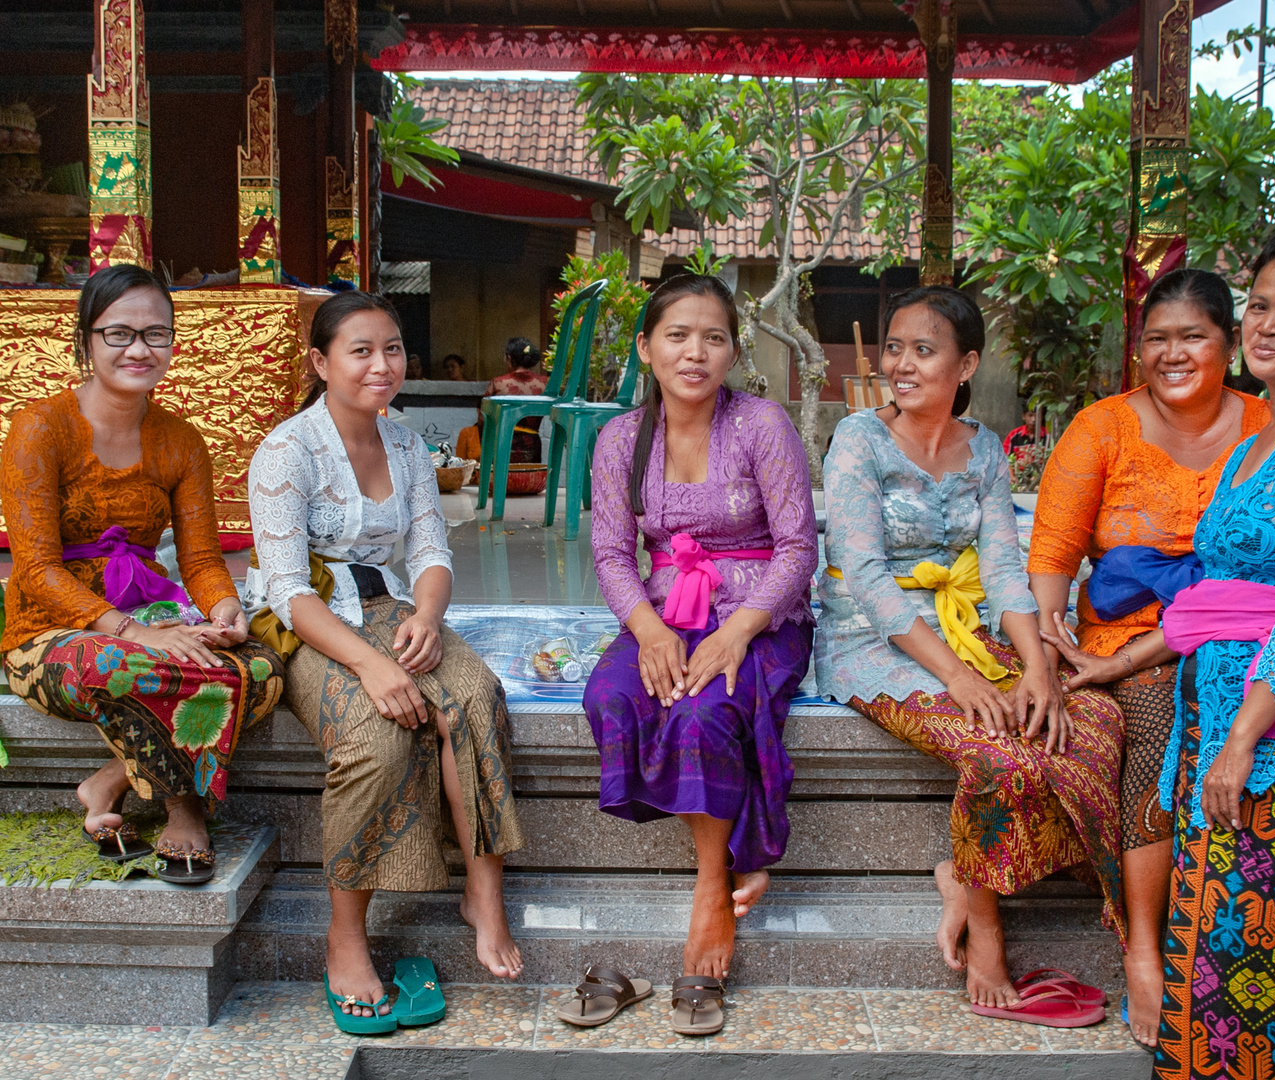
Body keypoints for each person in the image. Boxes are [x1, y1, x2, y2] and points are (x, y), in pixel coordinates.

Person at [1089, 228, 1275, 1076]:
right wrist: (1121, 662)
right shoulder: (1257, 441)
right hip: (1217, 725)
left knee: (1257, 957)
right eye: (1257, 305)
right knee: (1210, 952)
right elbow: (1216, 595)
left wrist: (1242, 739)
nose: (1263, 325)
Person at [817, 284, 1124, 1019]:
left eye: (923, 350)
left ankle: (963, 869)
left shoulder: (983, 447)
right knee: (996, 748)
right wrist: (957, 677)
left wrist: (1041, 671)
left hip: (967, 623)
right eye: (894, 347)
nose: (901, 363)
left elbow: (1005, 572)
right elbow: (861, 576)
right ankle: (984, 928)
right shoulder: (857, 439)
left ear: (965, 365)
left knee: (1092, 724)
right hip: (871, 635)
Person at [246, 291, 524, 1027]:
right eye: (360, 350)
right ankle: (345, 935)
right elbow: (286, 591)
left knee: (476, 696)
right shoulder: (287, 450)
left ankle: (481, 894)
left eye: (393, 349)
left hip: (390, 609)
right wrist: (371, 666)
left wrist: (427, 620)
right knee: (376, 736)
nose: (381, 365)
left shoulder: (402, 440)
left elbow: (431, 548)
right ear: (321, 361)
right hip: (312, 625)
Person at [1030, 267, 1269, 1048]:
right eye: (1155, 339)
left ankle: (1250, 929)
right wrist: (1047, 627)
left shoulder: (1271, 428)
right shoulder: (1101, 426)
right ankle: (1145, 942)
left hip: (1240, 629)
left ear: (1227, 345)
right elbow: (1054, 549)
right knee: (1160, 718)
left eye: (1191, 336)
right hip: (1124, 643)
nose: (1172, 352)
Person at [581, 274, 818, 1036]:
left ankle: (710, 892)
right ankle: (724, 862)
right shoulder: (621, 437)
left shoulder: (760, 424)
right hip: (664, 608)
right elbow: (613, 554)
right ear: (646, 348)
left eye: (713, 337)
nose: (695, 352)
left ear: (732, 351)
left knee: (706, 711)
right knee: (613, 697)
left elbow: (797, 548)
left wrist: (737, 630)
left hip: (758, 610)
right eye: (677, 336)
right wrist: (650, 632)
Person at [1, 265, 284, 884]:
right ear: (85, 342)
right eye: (119, 333)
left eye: (156, 334)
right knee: (129, 667)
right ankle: (183, 805)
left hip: (152, 611)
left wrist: (222, 611)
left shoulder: (181, 441)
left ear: (172, 344)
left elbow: (203, 560)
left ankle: (108, 780)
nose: (138, 349)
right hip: (51, 630)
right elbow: (38, 568)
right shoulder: (39, 428)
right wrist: (128, 631)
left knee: (260, 670)